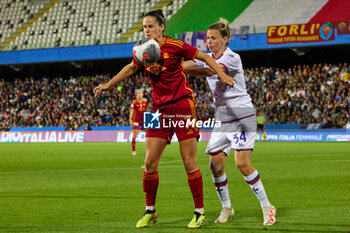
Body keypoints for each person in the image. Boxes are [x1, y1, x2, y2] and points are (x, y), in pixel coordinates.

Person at [93, 10, 235, 229]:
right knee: (149, 162)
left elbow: (205, 57)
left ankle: (199, 212)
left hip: (182, 105)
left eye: (150, 26)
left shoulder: (176, 46)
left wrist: (223, 76)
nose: (147, 30)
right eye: (144, 27)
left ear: (161, 27)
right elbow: (132, 67)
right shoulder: (142, 50)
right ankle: (150, 210)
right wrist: (108, 84)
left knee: (189, 162)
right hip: (158, 110)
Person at [184, 18, 276, 225]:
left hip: (242, 114)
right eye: (207, 38)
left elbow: (210, 70)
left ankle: (267, 207)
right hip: (223, 117)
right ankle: (227, 208)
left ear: (225, 39)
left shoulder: (232, 57)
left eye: (214, 38)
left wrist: (182, 69)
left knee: (242, 163)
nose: (209, 41)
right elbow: (187, 63)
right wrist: (169, 64)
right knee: (215, 165)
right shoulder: (207, 57)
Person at [129, 89, 148, 156]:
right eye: (138, 93)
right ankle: (134, 150)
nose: (139, 94)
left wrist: (148, 119)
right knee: (135, 135)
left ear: (143, 94)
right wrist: (130, 119)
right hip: (136, 120)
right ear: (136, 95)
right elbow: (131, 111)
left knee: (148, 134)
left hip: (144, 120)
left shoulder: (145, 101)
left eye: (141, 93)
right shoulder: (134, 102)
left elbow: (147, 110)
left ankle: (148, 150)